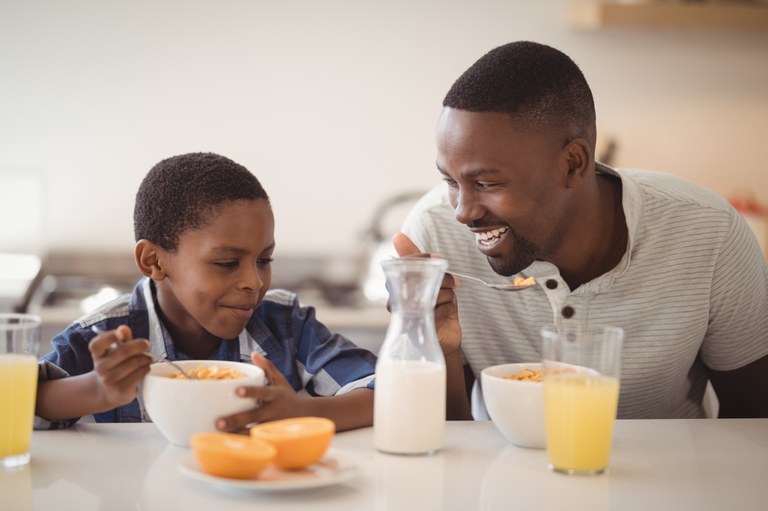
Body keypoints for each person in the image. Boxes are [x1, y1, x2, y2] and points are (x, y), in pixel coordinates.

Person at [394, 41, 768, 420]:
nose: (463, 212)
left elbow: (756, 420)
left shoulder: (709, 232)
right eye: (451, 181)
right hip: (502, 478)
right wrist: (432, 344)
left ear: (573, 164)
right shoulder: (436, 235)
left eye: (487, 184)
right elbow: (443, 446)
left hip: (673, 477)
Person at [35, 152, 376, 431]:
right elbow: (21, 402)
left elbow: (386, 392)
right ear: (153, 261)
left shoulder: (286, 324)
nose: (254, 282)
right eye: (228, 263)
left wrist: (303, 411)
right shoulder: (102, 339)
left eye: (264, 259)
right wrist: (95, 389)